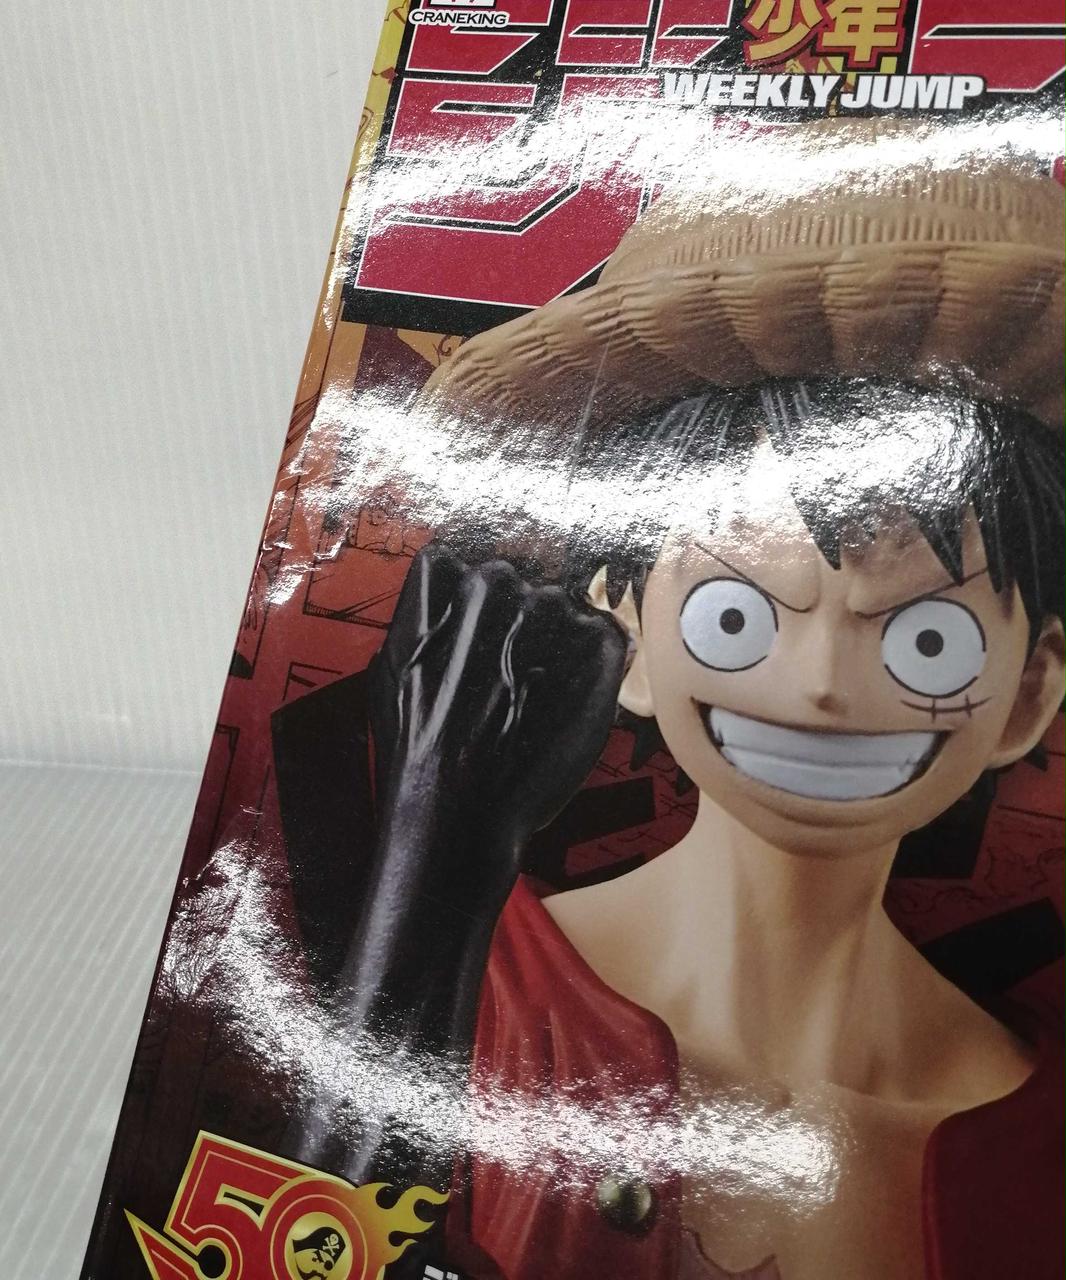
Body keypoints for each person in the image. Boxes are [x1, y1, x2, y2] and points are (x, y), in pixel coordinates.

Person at [276, 121, 1066, 1279]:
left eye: (925, 637)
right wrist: (433, 873)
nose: (819, 684)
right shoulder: (469, 988)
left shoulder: (1034, 1135)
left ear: (1029, 691)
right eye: (737, 614)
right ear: (626, 633)